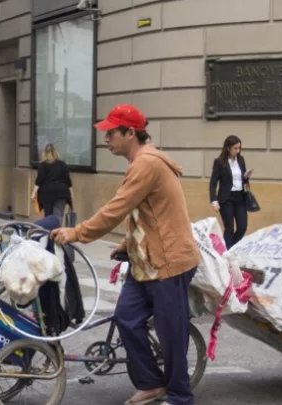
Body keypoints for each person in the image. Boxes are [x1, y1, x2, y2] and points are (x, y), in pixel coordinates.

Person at [51, 104, 200, 405]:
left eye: (111, 132)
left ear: (130, 133)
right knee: (126, 318)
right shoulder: (141, 162)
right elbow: (144, 213)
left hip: (169, 262)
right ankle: (151, 383)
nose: (106, 138)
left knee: (171, 334)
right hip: (146, 262)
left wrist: (76, 232)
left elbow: (116, 209)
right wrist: (128, 245)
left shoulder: (146, 164)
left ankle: (180, 396)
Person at [209, 135, 252, 249]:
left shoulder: (241, 160)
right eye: (235, 148)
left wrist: (246, 176)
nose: (238, 151)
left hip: (240, 198)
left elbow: (243, 180)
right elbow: (213, 182)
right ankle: (227, 255)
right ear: (228, 148)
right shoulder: (219, 162)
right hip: (226, 199)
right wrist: (214, 200)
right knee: (229, 228)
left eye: (239, 148)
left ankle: (228, 249)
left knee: (242, 227)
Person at [32, 144, 73, 218]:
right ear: (56, 153)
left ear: (45, 153)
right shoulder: (62, 164)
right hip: (61, 192)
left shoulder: (43, 165)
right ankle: (57, 229)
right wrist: (71, 193)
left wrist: (33, 193)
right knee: (58, 215)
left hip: (47, 193)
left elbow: (39, 180)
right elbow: (68, 180)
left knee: (49, 216)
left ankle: (50, 229)